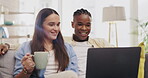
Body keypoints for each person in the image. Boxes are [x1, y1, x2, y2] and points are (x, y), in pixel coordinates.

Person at [13, 8, 78, 78]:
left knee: (71, 74)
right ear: (40, 26)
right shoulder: (25, 48)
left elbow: (74, 74)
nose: (56, 29)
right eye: (51, 25)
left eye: (58, 24)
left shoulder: (68, 49)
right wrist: (27, 71)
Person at [64, 8, 112, 78]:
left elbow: (116, 56)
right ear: (73, 24)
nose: (84, 28)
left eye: (88, 25)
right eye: (80, 24)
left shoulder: (100, 43)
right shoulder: (65, 43)